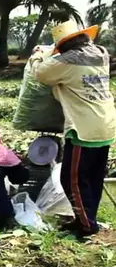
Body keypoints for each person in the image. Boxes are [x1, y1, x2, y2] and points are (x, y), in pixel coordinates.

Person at [29, 19, 116, 237]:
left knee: (72, 179)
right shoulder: (101, 55)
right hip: (105, 124)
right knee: (93, 177)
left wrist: (39, 54)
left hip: (83, 128)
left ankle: (87, 226)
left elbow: (40, 73)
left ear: (65, 45)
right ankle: (85, 219)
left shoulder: (67, 62)